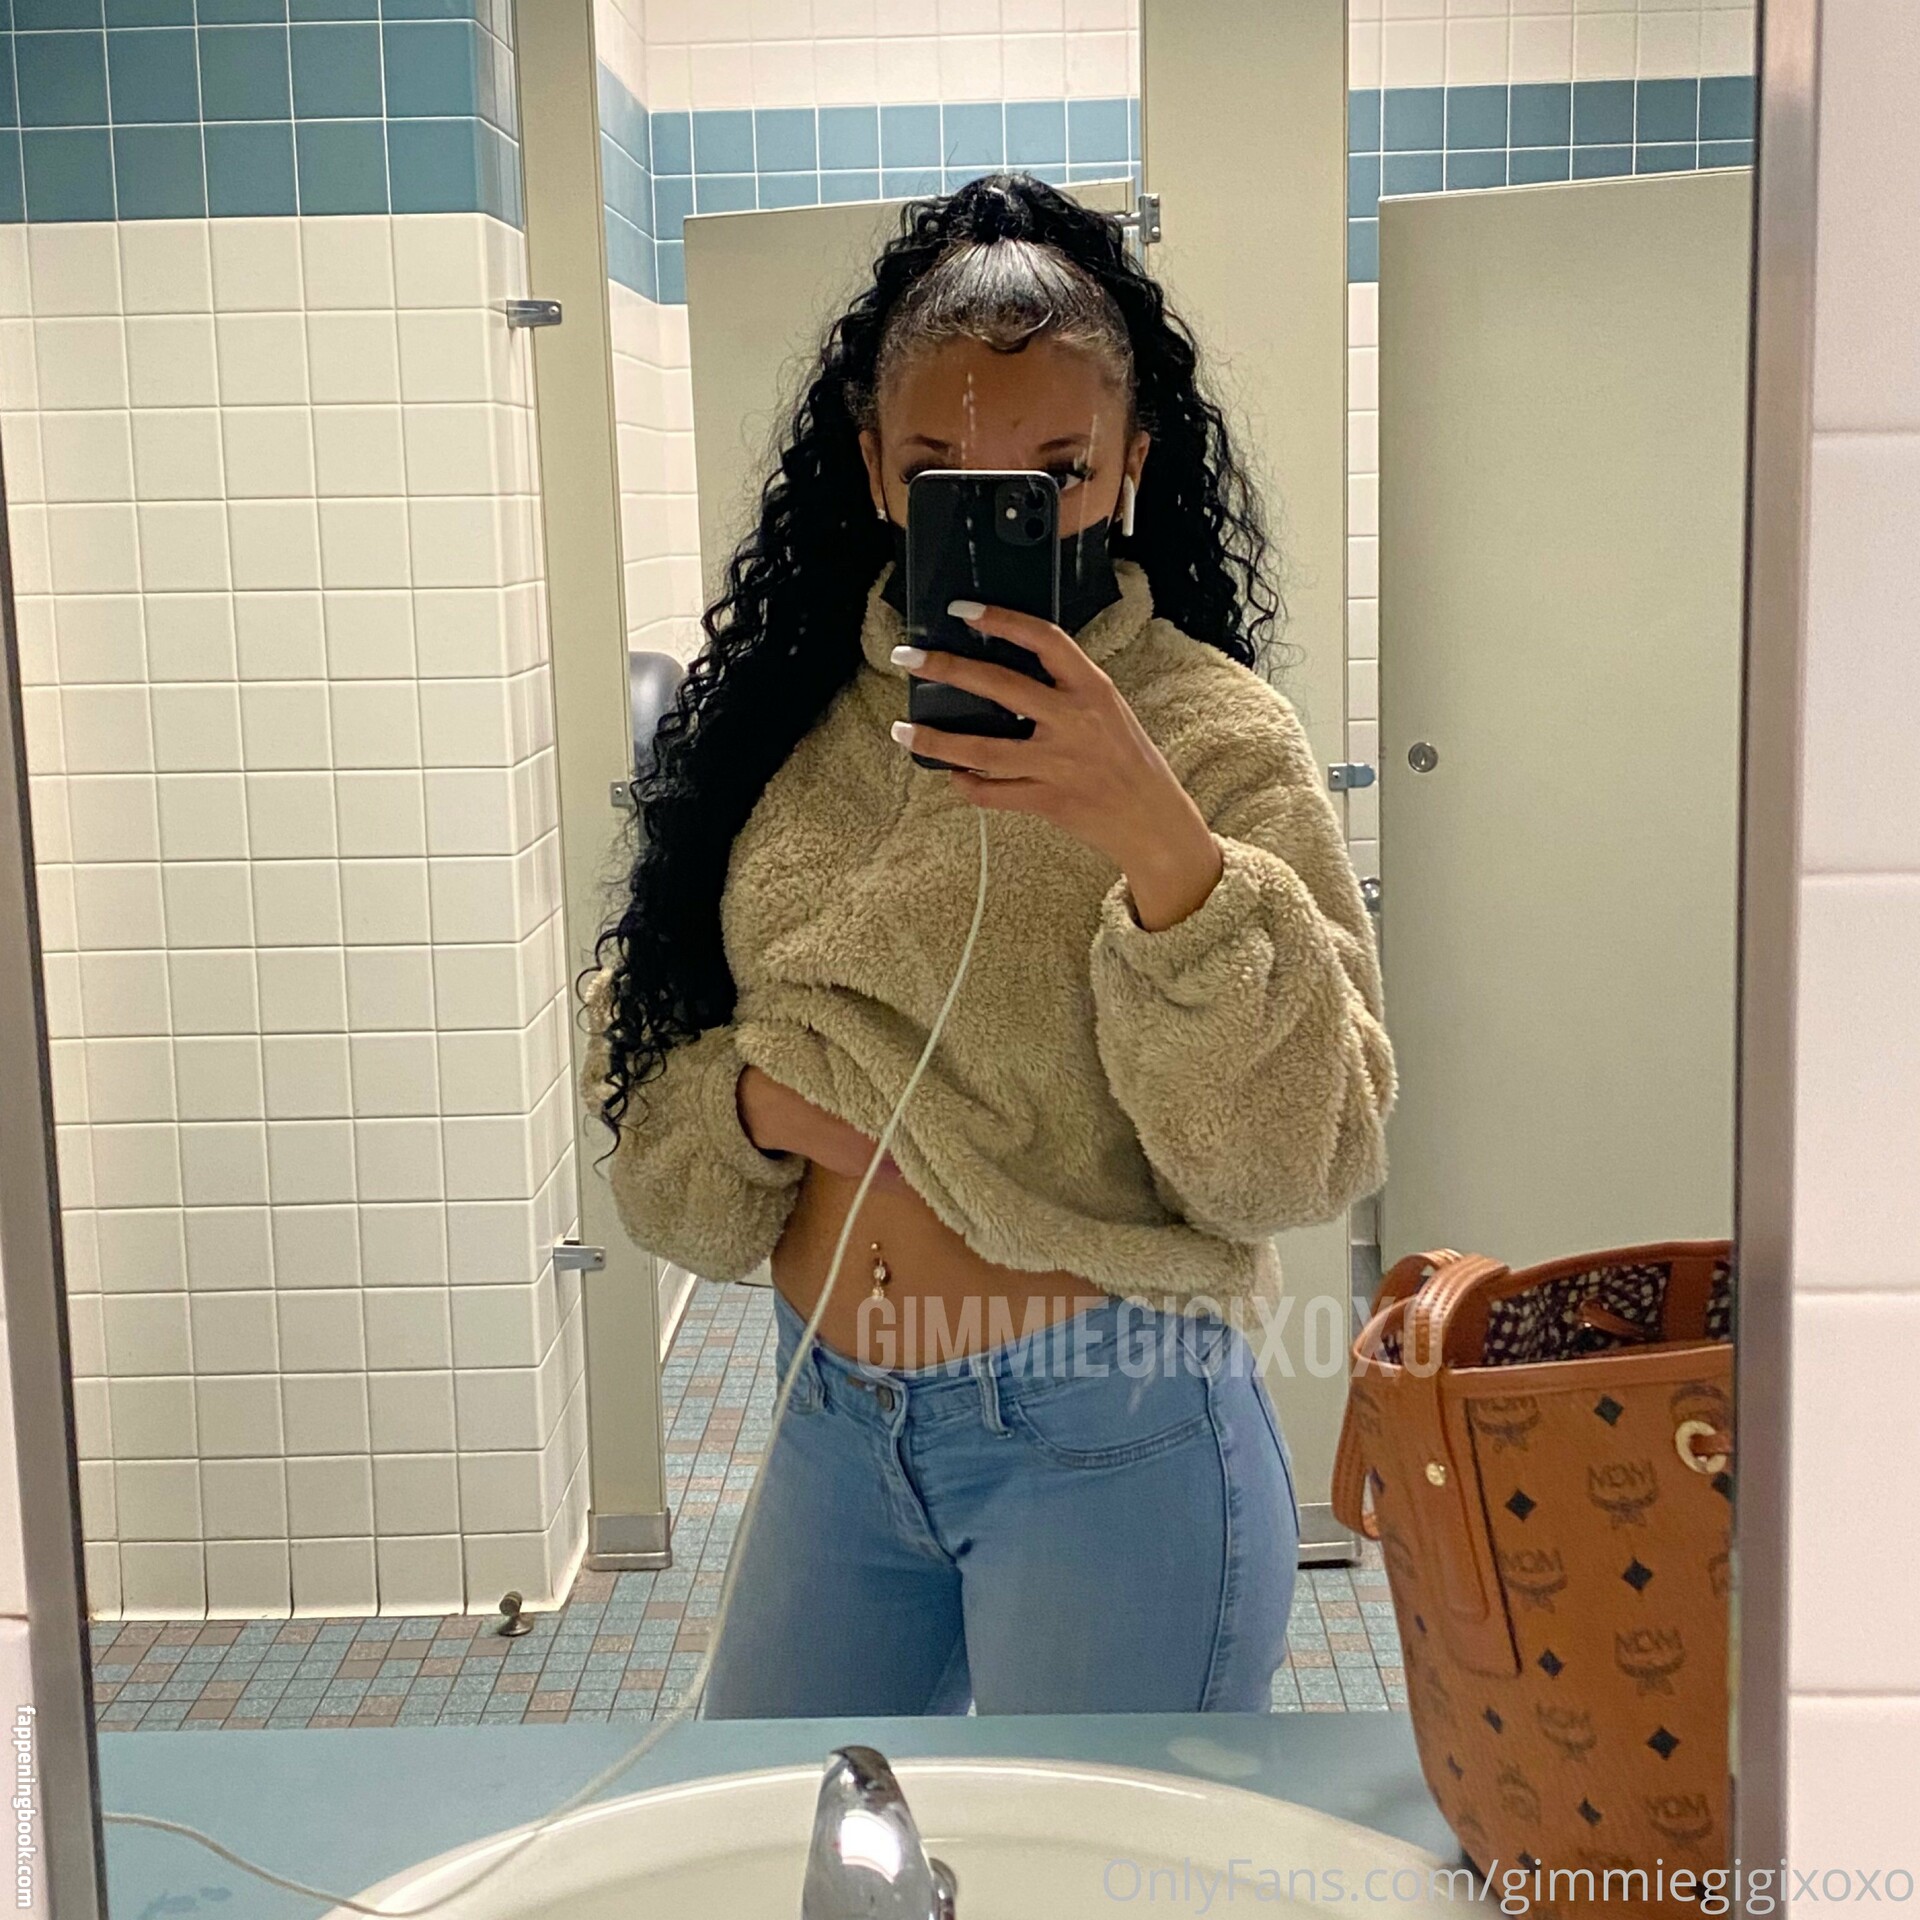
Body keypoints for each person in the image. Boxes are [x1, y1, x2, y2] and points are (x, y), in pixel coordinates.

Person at [582, 174, 1394, 1717]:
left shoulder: (1213, 738)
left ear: (1132, 468)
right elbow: (647, 1045)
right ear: (875, 471)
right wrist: (758, 1108)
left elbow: (1298, 1165)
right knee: (791, 1820)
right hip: (832, 1415)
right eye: (940, 468)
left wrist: (1164, 847)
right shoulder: (781, 723)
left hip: (1108, 1427)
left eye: (1057, 472)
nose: (999, 505)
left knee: (1082, 1844)